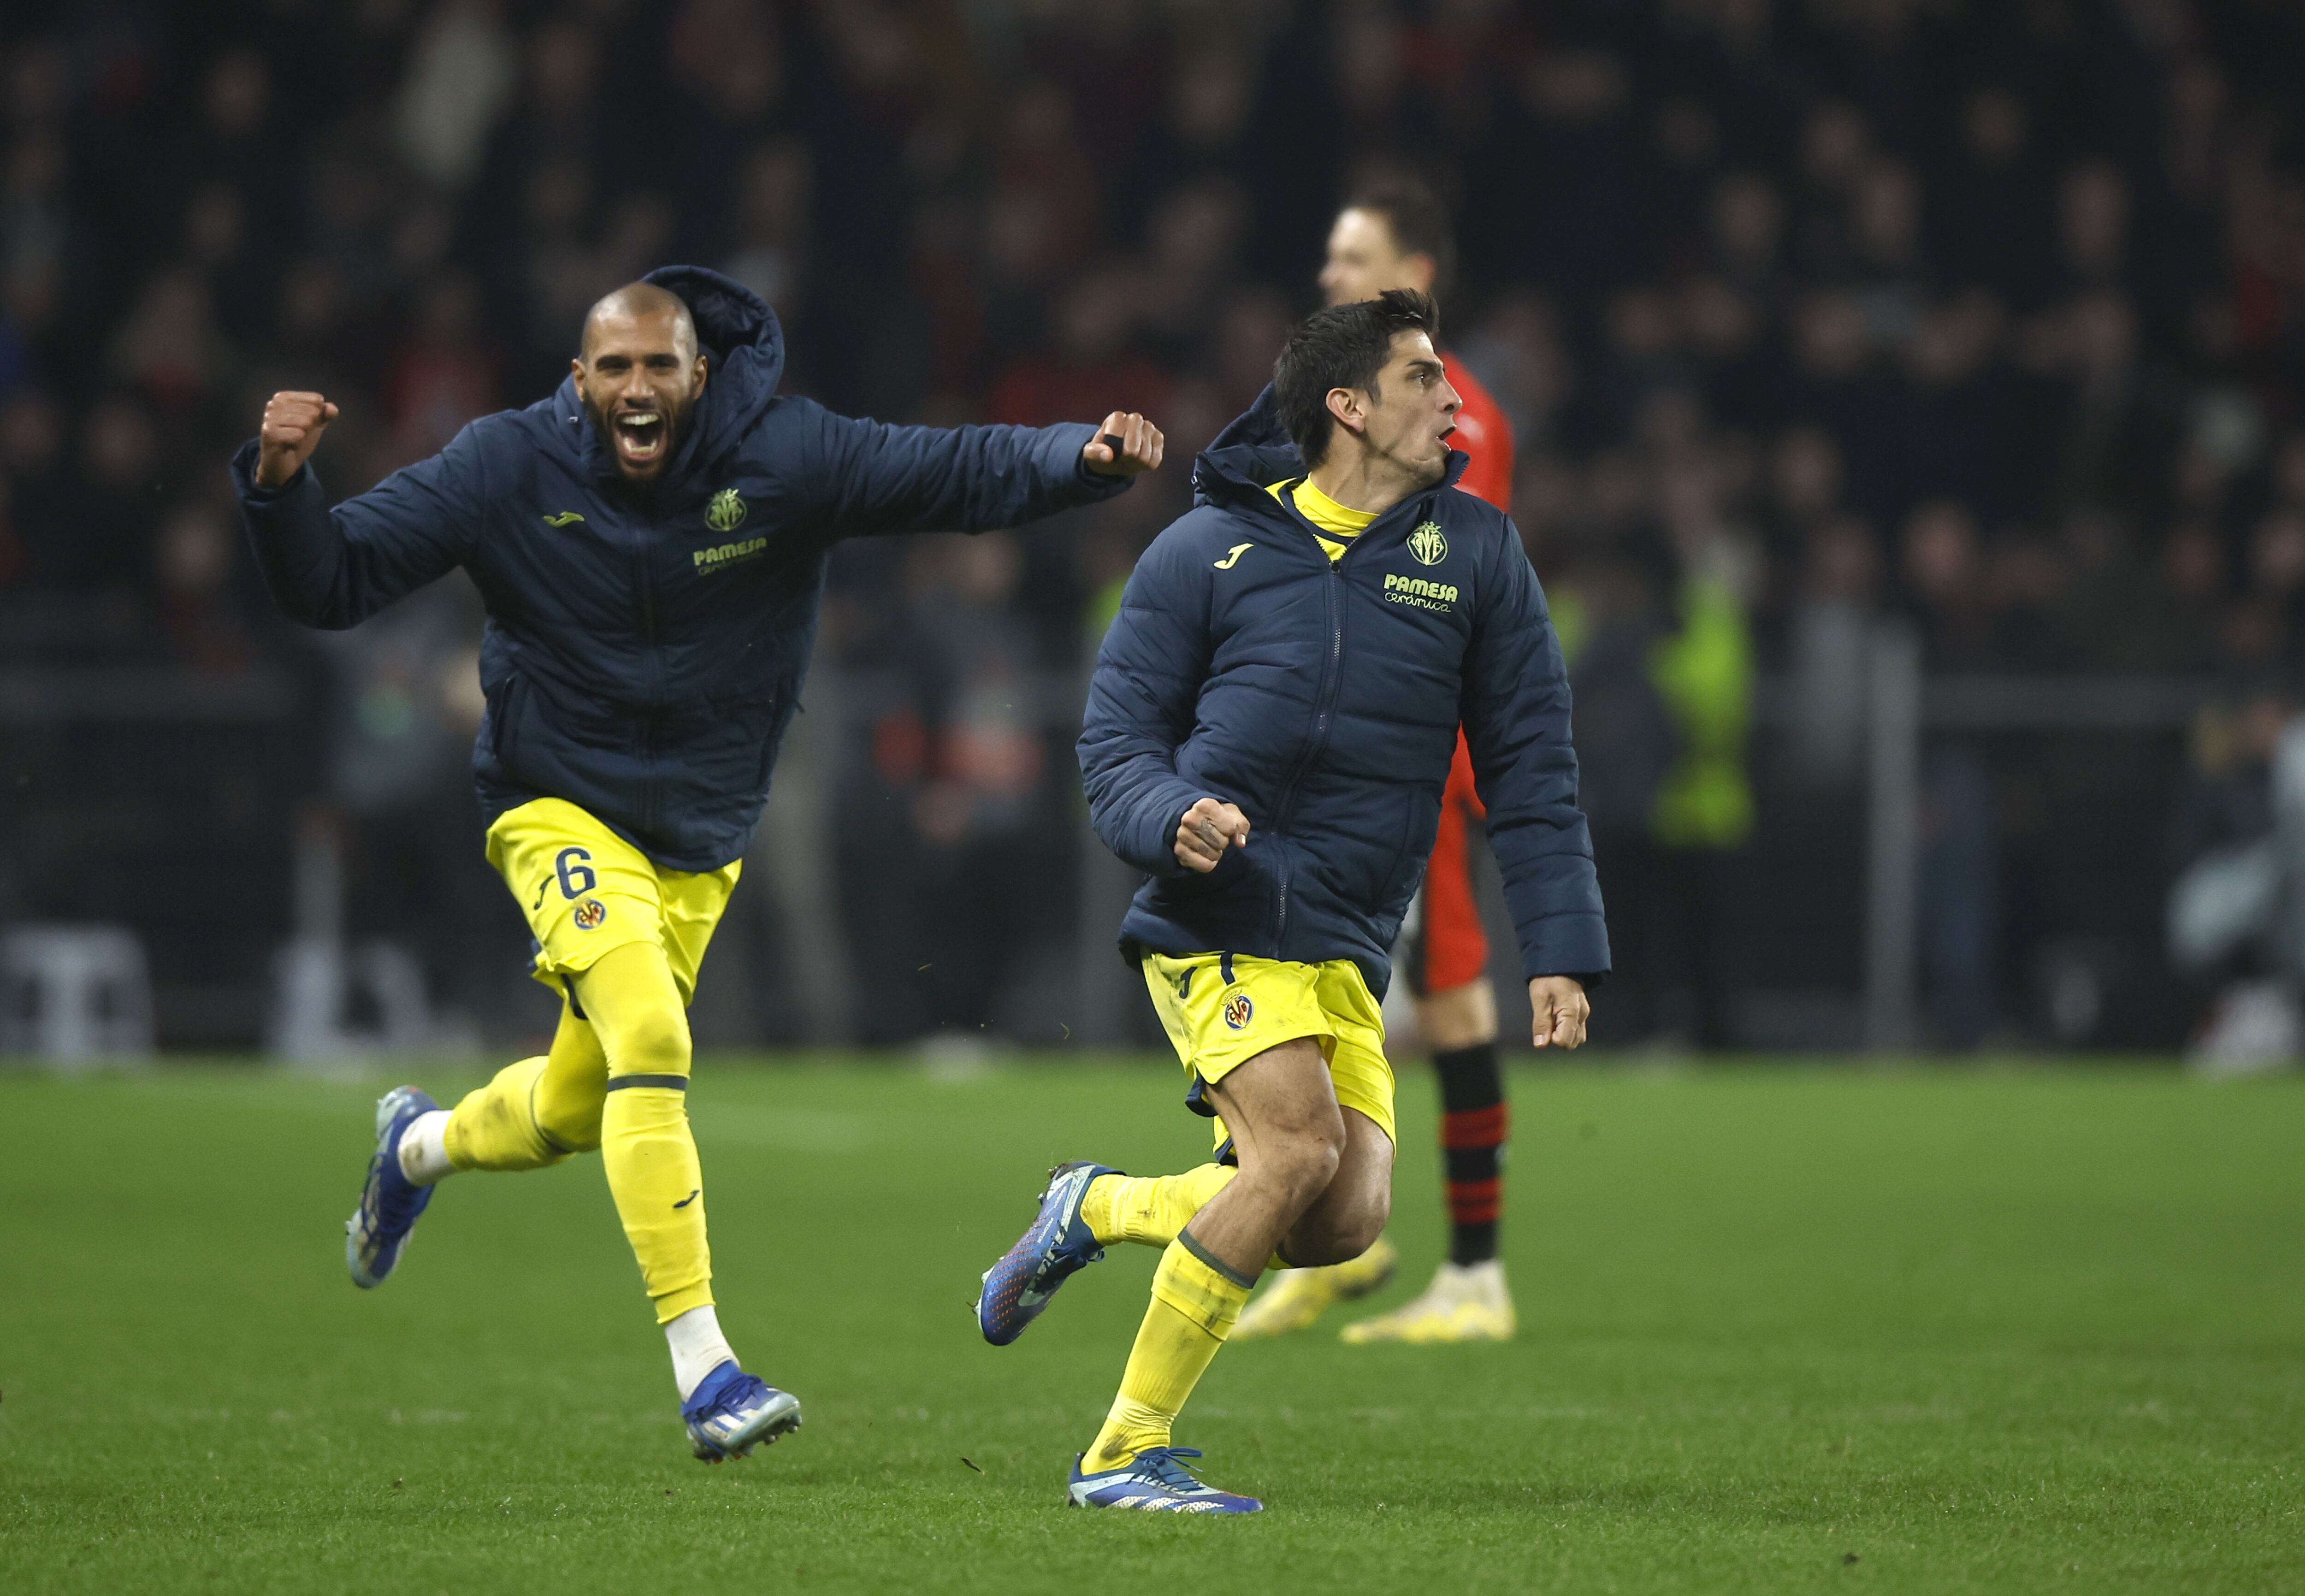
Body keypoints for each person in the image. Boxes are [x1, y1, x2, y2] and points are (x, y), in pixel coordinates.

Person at [233, 267, 1162, 1464]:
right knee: (659, 1042)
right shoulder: (504, 465)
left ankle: (416, 1144)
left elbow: (950, 472)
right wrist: (278, 487)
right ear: (578, 383)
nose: (634, 387)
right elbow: (334, 578)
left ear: (699, 375)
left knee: (576, 1106)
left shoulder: (784, 453)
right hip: (553, 805)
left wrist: (1076, 460)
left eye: (657, 366)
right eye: (611, 368)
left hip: (698, 838)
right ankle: (706, 1368)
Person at [975, 290, 1606, 1512]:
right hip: (1217, 910)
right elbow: (1115, 744)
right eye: (1426, 378)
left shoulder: (1474, 551)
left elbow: (1532, 761)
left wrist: (1562, 947)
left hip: (1348, 935)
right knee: (1300, 1146)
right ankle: (1123, 1450)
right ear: (1349, 405)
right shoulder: (1203, 548)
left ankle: (1095, 1204)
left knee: (1340, 1218)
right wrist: (1173, 817)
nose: (1454, 399)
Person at [1230, 178, 1526, 1343]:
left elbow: (1438, 577)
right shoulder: (1336, 411)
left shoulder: (1460, 422)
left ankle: (1469, 1275)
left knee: (1432, 1000)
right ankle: (1347, 1243)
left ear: (1416, 280)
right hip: (1361, 758)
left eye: (1352, 259)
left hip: (1413, 767)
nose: (1329, 276)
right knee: (1363, 995)